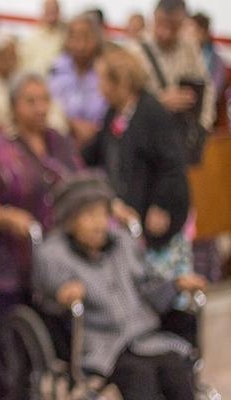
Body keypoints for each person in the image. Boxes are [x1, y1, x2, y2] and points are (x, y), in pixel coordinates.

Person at [33, 172, 206, 400]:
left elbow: (147, 288)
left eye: (103, 214)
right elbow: (50, 288)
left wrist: (175, 285)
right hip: (103, 347)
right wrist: (64, 293)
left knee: (175, 369)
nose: (98, 223)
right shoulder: (54, 253)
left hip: (143, 335)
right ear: (69, 221)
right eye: (89, 215)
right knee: (141, 377)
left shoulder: (122, 243)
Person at [0, 72, 82, 400]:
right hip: (7, 262)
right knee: (6, 349)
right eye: (30, 101)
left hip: (51, 259)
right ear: (14, 105)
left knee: (45, 346)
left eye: (44, 100)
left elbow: (77, 183)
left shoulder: (57, 141)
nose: (39, 108)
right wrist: (7, 216)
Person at [84, 45, 195, 344]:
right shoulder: (114, 113)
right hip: (127, 218)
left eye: (103, 81)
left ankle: (179, 352)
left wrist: (161, 205)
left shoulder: (151, 112)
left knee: (168, 293)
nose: (99, 88)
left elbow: (173, 165)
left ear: (120, 82)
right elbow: (96, 152)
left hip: (157, 221)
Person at [128, 0, 215, 164]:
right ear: (153, 18)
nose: (165, 33)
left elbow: (207, 88)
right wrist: (159, 102)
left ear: (182, 24)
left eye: (173, 27)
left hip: (182, 139)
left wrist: (202, 126)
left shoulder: (189, 47)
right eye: (160, 24)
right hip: (148, 140)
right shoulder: (135, 51)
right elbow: (126, 102)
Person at [49, 13, 108, 147]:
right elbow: (52, 105)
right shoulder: (57, 68)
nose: (80, 45)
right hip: (62, 141)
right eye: (75, 37)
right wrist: (73, 124)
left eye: (86, 38)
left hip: (100, 141)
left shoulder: (106, 70)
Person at [18, 0, 66, 75]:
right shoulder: (33, 35)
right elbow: (23, 62)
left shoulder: (65, 37)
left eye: (54, 10)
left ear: (59, 12)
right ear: (43, 12)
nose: (51, 14)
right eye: (48, 10)